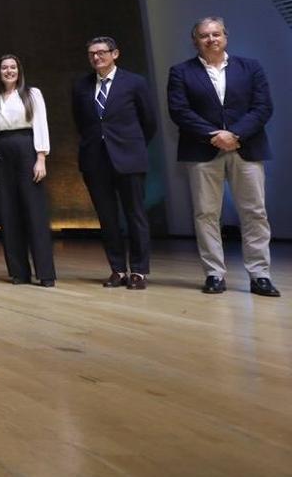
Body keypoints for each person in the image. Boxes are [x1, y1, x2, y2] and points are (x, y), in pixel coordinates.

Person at [167, 16, 279, 297]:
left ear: (225, 37)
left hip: (247, 148)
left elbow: (263, 107)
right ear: (196, 41)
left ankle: (260, 275)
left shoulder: (250, 67)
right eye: (204, 35)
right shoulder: (181, 72)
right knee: (206, 214)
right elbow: (179, 111)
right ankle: (214, 274)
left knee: (254, 212)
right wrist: (213, 136)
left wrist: (235, 135)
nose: (211, 39)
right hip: (202, 151)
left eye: (216, 34)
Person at [71, 37, 157, 289]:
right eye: (91, 54)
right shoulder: (81, 85)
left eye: (101, 52)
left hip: (129, 159)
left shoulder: (135, 82)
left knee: (135, 215)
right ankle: (117, 269)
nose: (96, 57)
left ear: (115, 53)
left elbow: (148, 122)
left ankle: (139, 271)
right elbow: (81, 122)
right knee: (107, 218)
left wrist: (131, 146)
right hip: (95, 161)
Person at [0, 55, 56, 287]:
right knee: (7, 212)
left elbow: (41, 124)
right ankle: (19, 272)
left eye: (13, 67)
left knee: (35, 213)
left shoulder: (32, 94)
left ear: (19, 70)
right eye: (4, 67)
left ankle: (45, 273)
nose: (9, 71)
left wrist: (41, 157)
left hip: (27, 149)